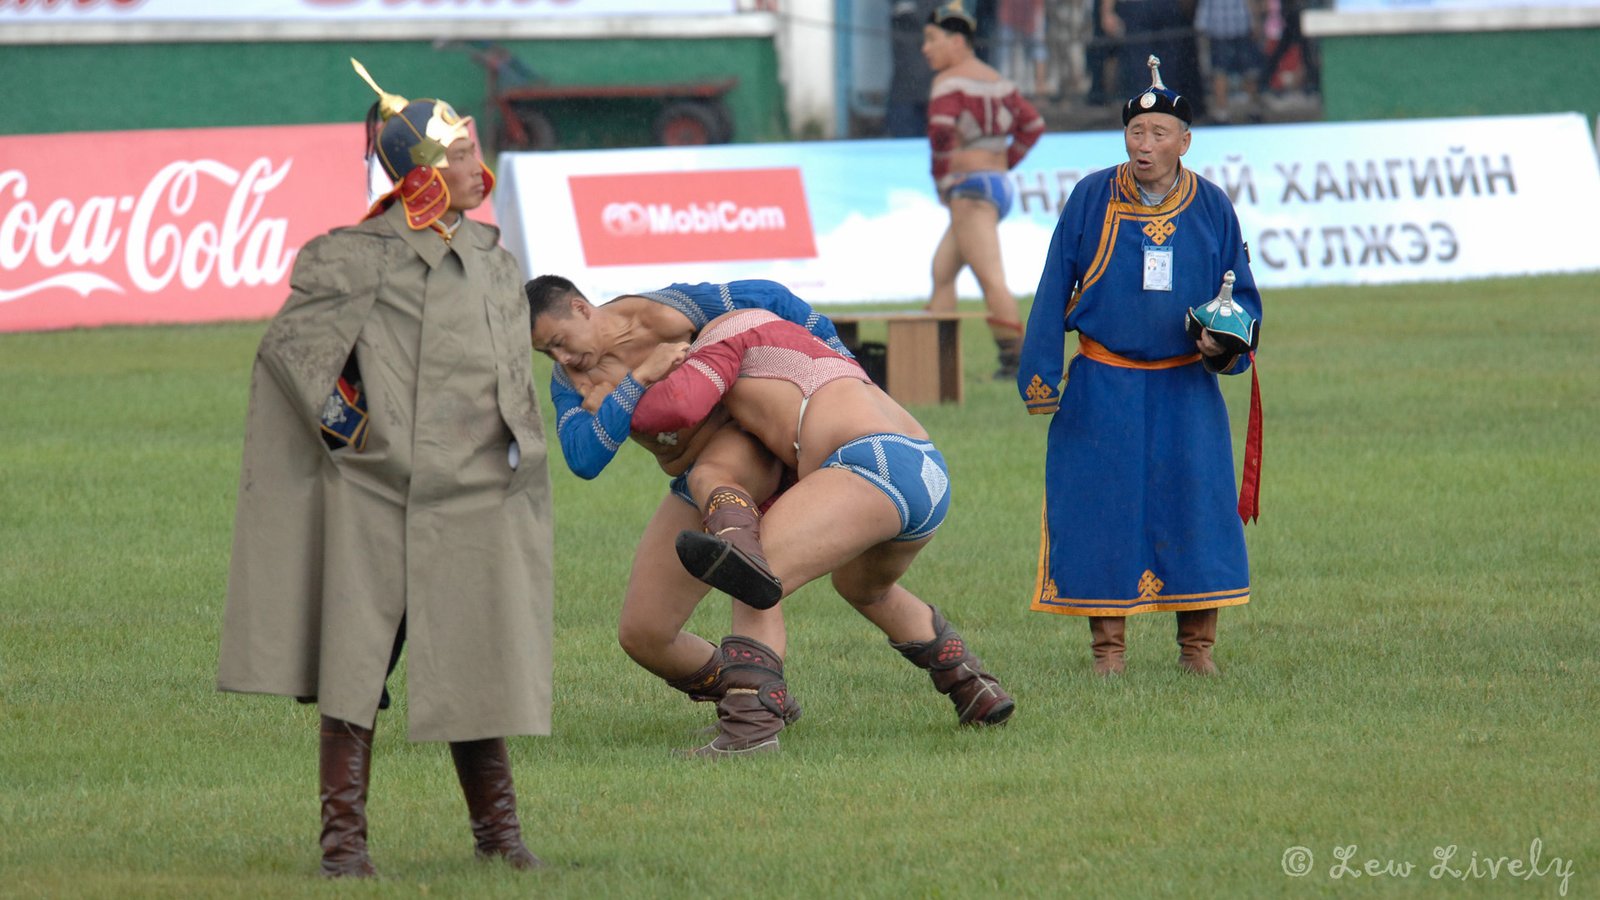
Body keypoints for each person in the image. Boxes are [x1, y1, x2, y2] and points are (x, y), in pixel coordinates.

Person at [217, 60, 553, 877]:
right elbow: (293, 355)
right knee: (354, 671)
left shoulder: (494, 258)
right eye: (462, 155)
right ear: (424, 172)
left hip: (474, 495)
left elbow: (511, 378)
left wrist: (520, 450)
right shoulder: (356, 255)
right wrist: (359, 439)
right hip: (374, 497)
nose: (478, 166)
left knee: (476, 661)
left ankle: (500, 839)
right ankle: (343, 850)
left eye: (475, 150)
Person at [529, 281, 1013, 755]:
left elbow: (678, 404)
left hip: (857, 463)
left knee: (750, 570)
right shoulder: (581, 375)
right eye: (546, 352)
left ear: (582, 308)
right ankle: (971, 684)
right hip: (908, 464)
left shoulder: (717, 328)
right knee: (651, 630)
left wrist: (624, 393)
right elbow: (583, 457)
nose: (561, 359)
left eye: (559, 341)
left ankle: (751, 723)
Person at [1015, 55, 1262, 677]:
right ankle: (1109, 652)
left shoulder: (1212, 206)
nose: (1145, 145)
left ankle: (1197, 649)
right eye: (1135, 132)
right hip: (1104, 384)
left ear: (1184, 141)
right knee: (1102, 510)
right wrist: (1040, 376)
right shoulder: (1091, 197)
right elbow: (1053, 286)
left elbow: (1243, 297)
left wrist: (1225, 345)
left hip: (1186, 387)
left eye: (1158, 134)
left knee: (1196, 508)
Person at [921, 0, 1047, 380]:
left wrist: (942, 179)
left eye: (932, 39)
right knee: (942, 270)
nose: (925, 49)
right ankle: (932, 360)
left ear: (957, 42)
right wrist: (1004, 161)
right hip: (995, 185)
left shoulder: (948, 82)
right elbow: (1033, 125)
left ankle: (1016, 359)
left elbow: (941, 136)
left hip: (969, 189)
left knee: (990, 278)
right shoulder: (997, 79)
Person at [1194, 0, 1265, 123]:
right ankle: (1225, 112)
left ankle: (1251, 108)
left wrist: (1255, 22)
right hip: (1225, 32)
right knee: (1222, 73)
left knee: (1246, 73)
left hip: (1236, 31)